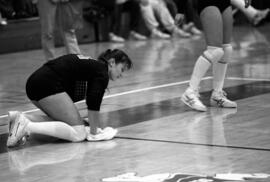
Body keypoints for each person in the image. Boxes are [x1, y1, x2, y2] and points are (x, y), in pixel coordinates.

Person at [6, 49, 133, 147]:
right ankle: (26, 127)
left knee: (70, 125)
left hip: (35, 83)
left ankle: (20, 118)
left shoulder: (94, 67)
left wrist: (83, 122)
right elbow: (93, 102)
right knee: (79, 134)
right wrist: (94, 132)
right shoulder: (101, 72)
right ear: (112, 63)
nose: (121, 75)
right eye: (122, 69)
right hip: (47, 84)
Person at [180, 0, 251, 112]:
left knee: (226, 49)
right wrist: (180, 10)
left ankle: (217, 95)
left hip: (224, 3)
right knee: (215, 51)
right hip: (208, 2)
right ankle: (190, 92)